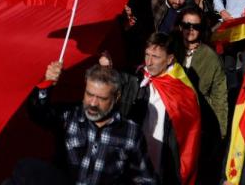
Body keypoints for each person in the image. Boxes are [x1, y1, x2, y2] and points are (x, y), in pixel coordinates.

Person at [22, 61, 157, 185]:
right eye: (89, 94)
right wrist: (47, 82)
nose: (92, 103)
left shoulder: (131, 133)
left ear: (116, 97)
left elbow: (145, 180)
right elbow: (38, 113)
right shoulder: (69, 116)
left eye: (101, 98)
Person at [114, 33, 203, 185]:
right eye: (147, 54)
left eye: (155, 57)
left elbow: (188, 136)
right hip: (135, 161)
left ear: (169, 59)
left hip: (162, 163)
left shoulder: (181, 89)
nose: (148, 62)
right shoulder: (137, 77)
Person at [178, 7, 227, 137]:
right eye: (186, 25)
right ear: (180, 26)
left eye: (196, 26)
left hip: (198, 120)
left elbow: (220, 98)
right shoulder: (169, 50)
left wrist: (221, 132)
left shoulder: (211, 58)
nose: (191, 29)